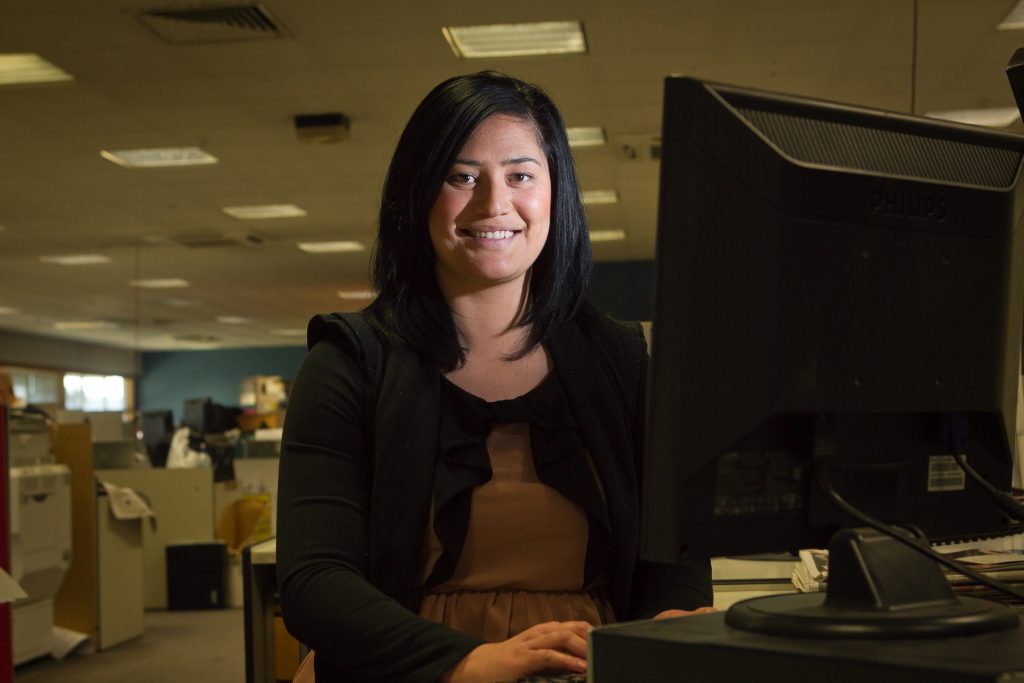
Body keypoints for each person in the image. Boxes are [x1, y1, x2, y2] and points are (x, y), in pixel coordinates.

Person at [276, 70, 713, 683]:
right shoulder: (349, 363)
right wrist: (469, 660)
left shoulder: (620, 358)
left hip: (587, 666)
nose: (493, 203)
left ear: (555, 192)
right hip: (412, 669)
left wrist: (668, 624)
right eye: (461, 177)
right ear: (416, 194)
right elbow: (314, 582)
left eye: (520, 175)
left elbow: (676, 555)